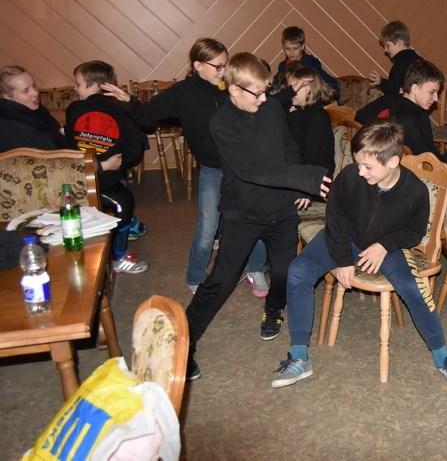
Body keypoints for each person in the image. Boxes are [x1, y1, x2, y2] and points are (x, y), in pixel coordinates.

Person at [273, 120, 447, 398]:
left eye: (367, 167)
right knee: (298, 270)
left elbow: (415, 232)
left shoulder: (414, 191)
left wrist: (384, 245)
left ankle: (444, 359)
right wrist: (343, 259)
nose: (360, 171)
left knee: (412, 287)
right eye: (358, 163)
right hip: (345, 238)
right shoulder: (351, 176)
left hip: (388, 246)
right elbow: (335, 219)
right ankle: (299, 356)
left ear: (393, 161)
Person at [185, 52, 331, 380]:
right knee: (221, 279)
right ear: (234, 89)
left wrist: (298, 184)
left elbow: (287, 148)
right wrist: (305, 178)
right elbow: (254, 170)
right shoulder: (222, 124)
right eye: (257, 93)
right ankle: (185, 339)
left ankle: (273, 309)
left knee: (283, 272)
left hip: (281, 209)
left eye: (266, 91)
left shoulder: (270, 108)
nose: (264, 99)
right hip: (243, 213)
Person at [101, 38, 270, 296]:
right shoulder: (182, 92)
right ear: (198, 65)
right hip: (212, 169)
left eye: (225, 65)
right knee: (207, 227)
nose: (223, 71)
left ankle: (256, 268)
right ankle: (196, 277)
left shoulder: (231, 86)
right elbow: (148, 116)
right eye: (218, 66)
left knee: (253, 218)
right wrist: (128, 101)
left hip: (242, 167)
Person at [64, 61, 149, 274]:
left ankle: (116, 249)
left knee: (120, 200)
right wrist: (122, 163)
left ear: (94, 85)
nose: (75, 88)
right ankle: (117, 255)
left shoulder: (74, 109)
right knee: (124, 203)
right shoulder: (119, 109)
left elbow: (70, 146)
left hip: (81, 175)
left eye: (78, 84)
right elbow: (135, 145)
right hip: (105, 177)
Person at [356, 59, 441, 157]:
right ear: (414, 88)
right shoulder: (413, 117)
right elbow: (427, 159)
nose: (436, 98)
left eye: (437, 93)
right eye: (431, 92)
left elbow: (358, 116)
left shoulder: (388, 99)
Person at [282, 64, 335, 176]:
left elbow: (309, 157)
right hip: (301, 171)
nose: (290, 92)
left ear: (308, 89)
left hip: (315, 177)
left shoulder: (318, 117)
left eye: (293, 87)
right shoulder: (297, 111)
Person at [0, 66, 66, 152]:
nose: (35, 93)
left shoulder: (39, 112)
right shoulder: (8, 126)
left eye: (34, 86)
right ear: (7, 96)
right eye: (26, 90)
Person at [275, 26, 339, 100]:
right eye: (287, 48)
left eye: (295, 48)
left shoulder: (310, 63)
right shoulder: (283, 66)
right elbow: (276, 87)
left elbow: (332, 84)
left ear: (302, 47)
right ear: (283, 47)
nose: (291, 52)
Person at [368, 20, 422, 95]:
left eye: (387, 46)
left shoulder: (400, 64)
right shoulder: (419, 61)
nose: (385, 50)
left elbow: (395, 91)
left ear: (399, 43)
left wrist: (381, 82)